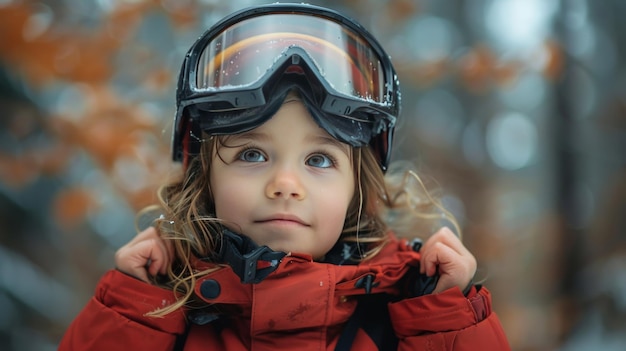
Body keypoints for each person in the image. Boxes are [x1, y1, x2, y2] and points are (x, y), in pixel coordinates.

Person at [59, 3, 511, 350]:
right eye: (253, 153)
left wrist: (446, 319)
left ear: (359, 188)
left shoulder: (409, 317)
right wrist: (133, 311)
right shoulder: (158, 312)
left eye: (319, 160)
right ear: (205, 176)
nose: (285, 184)